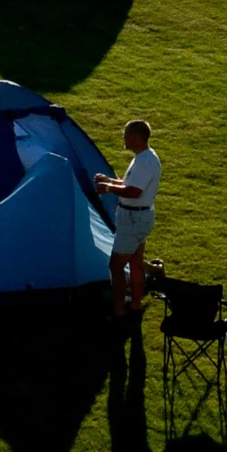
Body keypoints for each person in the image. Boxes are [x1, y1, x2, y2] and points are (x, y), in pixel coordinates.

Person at [94, 120, 161, 319]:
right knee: (136, 263)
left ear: (137, 137)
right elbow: (129, 183)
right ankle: (136, 304)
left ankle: (119, 309)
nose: (124, 138)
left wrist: (108, 189)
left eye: (126, 134)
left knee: (116, 265)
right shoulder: (143, 158)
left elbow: (133, 191)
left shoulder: (145, 162)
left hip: (133, 219)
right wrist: (110, 180)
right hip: (138, 217)